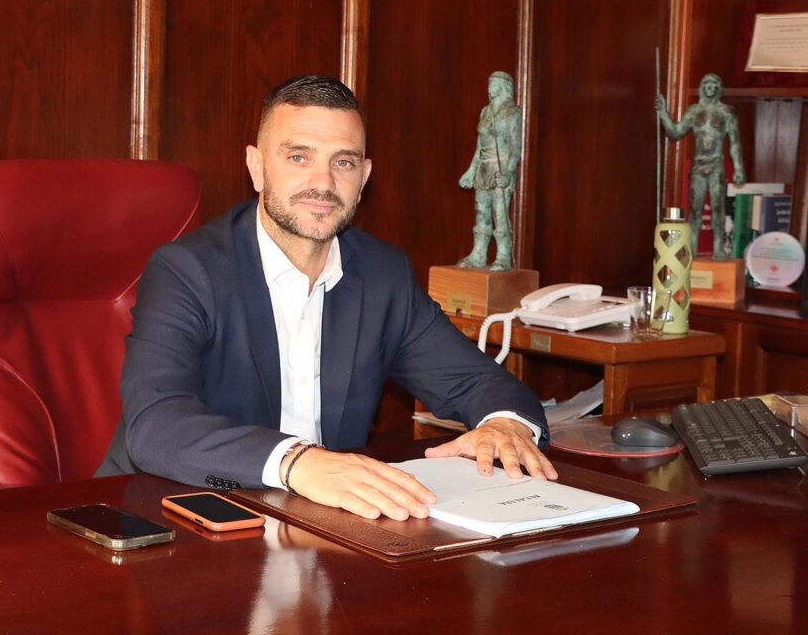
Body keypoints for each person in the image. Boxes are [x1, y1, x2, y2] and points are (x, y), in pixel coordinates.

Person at [99, 75, 557, 522]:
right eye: (299, 157)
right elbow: (157, 425)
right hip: (176, 518)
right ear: (257, 167)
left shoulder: (382, 274)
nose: (323, 182)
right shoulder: (187, 271)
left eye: (344, 162)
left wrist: (505, 426)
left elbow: (480, 384)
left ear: (364, 177)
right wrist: (299, 463)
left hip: (321, 525)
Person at [655, 73, 745, 260]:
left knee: (718, 208)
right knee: (695, 209)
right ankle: (692, 247)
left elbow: (735, 143)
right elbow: (675, 132)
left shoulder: (727, 112)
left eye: (713, 84)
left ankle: (718, 248)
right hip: (698, 164)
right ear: (702, 87)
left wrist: (738, 168)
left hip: (716, 164)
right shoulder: (694, 111)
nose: (710, 87)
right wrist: (663, 113)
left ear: (719, 88)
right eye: (706, 84)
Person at [457, 71, 522, 272]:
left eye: (493, 84)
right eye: (489, 84)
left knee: (500, 214)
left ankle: (503, 255)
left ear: (504, 87)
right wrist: (471, 170)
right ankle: (479, 254)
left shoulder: (513, 113)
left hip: (500, 169)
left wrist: (508, 173)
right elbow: (480, 146)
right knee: (481, 212)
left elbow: (515, 149)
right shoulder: (485, 111)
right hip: (483, 168)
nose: (489, 88)